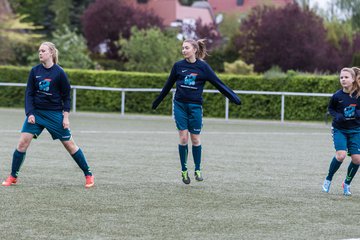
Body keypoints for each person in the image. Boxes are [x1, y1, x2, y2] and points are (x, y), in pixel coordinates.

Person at [1, 42, 94, 188]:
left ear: (51, 53)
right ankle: (13, 176)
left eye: (43, 51)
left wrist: (65, 117)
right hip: (36, 113)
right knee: (22, 143)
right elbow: (29, 94)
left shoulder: (59, 73)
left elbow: (66, 97)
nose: (40, 53)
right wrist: (30, 113)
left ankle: (88, 174)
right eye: (39, 51)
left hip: (54, 114)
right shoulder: (34, 71)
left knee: (70, 145)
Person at [152, 39, 241, 184]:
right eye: (182, 48)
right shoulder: (178, 66)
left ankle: (198, 169)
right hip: (180, 105)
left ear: (194, 49)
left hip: (195, 107)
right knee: (183, 139)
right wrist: (158, 100)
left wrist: (233, 96)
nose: (183, 50)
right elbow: (168, 85)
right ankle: (184, 170)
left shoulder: (203, 67)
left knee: (195, 139)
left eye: (186, 48)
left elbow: (218, 83)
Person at [322, 67, 360, 196]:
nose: (343, 79)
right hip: (340, 130)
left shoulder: (358, 95)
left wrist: (357, 113)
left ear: (353, 79)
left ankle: (346, 183)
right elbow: (331, 109)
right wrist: (336, 115)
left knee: (357, 160)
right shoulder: (337, 96)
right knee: (341, 155)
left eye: (346, 77)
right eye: (341, 77)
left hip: (356, 131)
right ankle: (328, 179)